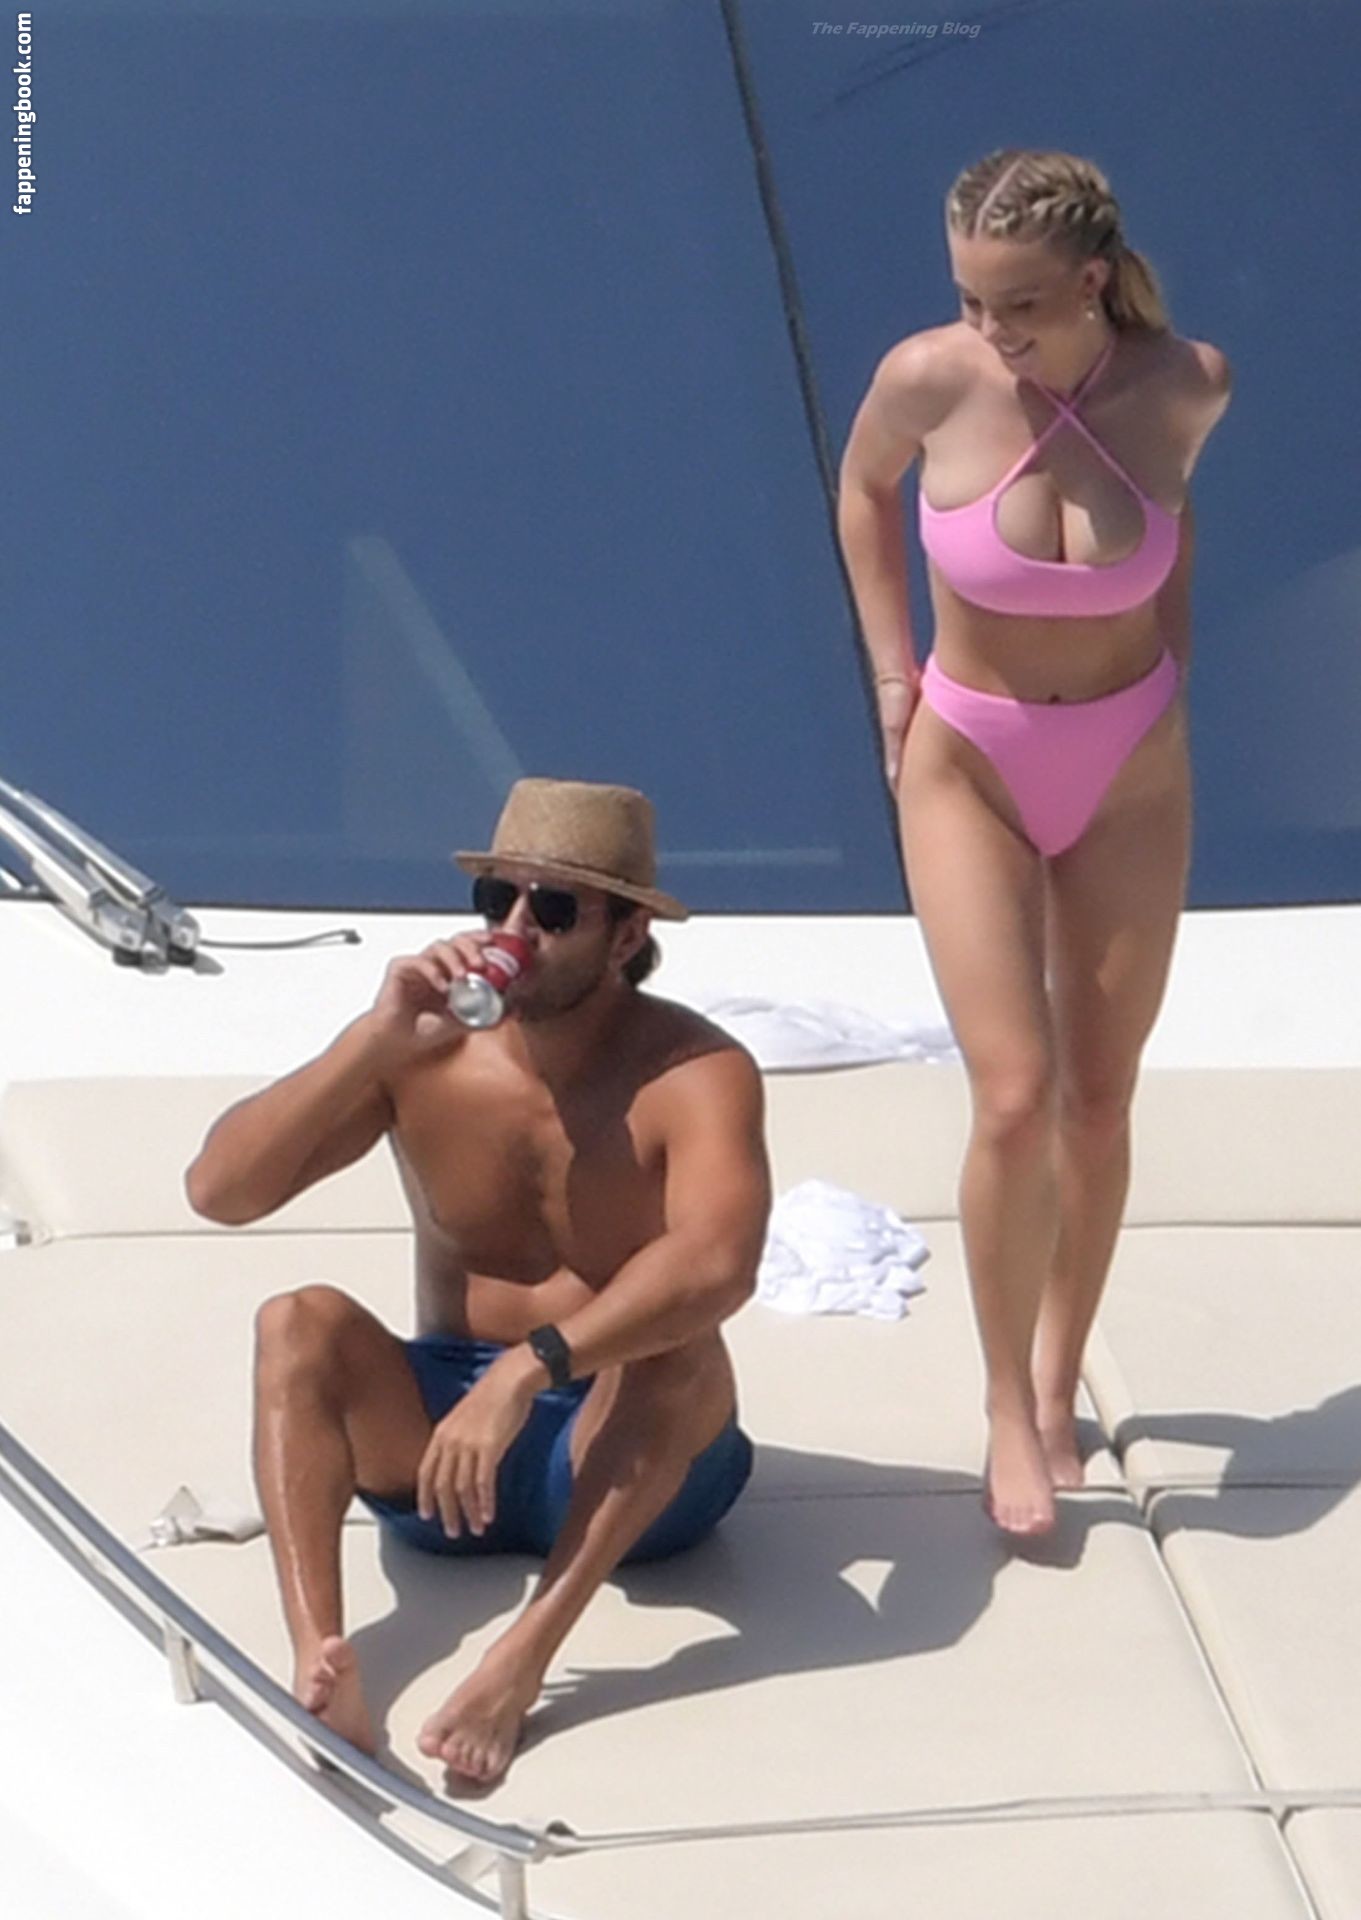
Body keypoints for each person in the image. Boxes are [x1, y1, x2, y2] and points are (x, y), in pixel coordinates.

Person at [185, 777, 769, 1781]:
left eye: (553, 909)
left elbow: (719, 1263)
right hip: (447, 1454)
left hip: (627, 1454)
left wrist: (527, 1370)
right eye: (497, 898)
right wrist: (369, 1043)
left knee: (680, 1347)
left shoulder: (695, 1070)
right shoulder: (425, 1052)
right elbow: (219, 1191)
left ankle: (522, 1657)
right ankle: (321, 1661)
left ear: (627, 936)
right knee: (297, 1322)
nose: (513, 929)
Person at [836, 148, 1232, 1537]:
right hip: (971, 764)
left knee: (1099, 1100)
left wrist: (1170, 673)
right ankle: (1006, 1402)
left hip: (1129, 767)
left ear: (1089, 280)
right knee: (1013, 1094)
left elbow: (1174, 527)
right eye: (968, 298)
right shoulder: (926, 379)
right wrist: (893, 677)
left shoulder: (1184, 383)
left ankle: (1061, 1378)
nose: (988, 329)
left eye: (1015, 304)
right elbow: (861, 496)